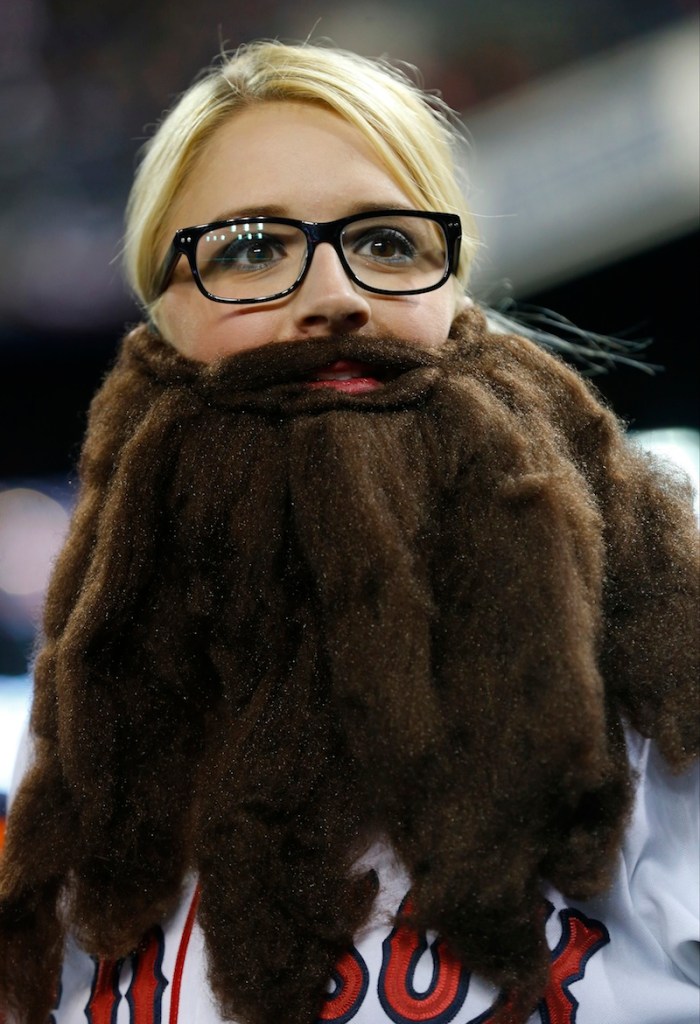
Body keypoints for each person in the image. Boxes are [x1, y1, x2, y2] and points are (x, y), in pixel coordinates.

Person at [0, 39, 698, 1024]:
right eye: (250, 247)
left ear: (455, 305)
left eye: (386, 241)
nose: (333, 295)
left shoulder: (660, 668)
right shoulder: (93, 731)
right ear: (157, 334)